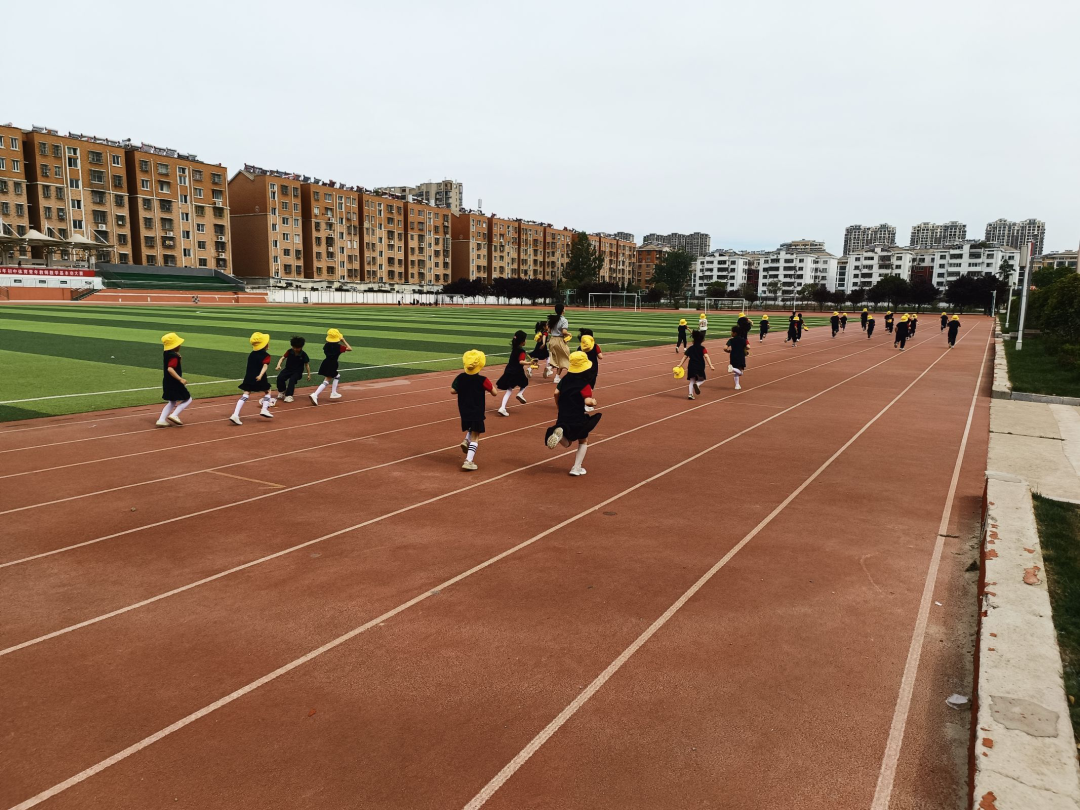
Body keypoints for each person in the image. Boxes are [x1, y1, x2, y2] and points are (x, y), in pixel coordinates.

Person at [544, 350, 600, 476]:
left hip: (563, 413)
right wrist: (593, 402)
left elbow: (556, 393)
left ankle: (559, 436)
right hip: (577, 414)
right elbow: (587, 401)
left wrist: (558, 406)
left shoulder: (564, 379)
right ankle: (576, 467)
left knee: (567, 442)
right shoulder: (585, 384)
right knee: (583, 440)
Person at [452, 350, 495, 471]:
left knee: (471, 426)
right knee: (476, 435)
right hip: (477, 410)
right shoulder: (483, 380)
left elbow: (452, 390)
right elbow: (494, 392)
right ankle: (468, 460)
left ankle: (466, 440)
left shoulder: (460, 377)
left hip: (464, 411)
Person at [230, 332, 274, 425]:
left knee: (246, 394)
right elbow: (265, 366)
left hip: (249, 377)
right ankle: (264, 409)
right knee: (268, 391)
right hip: (259, 377)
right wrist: (261, 375)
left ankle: (235, 414)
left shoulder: (252, 354)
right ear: (265, 345)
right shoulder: (266, 355)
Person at [157, 332, 192, 427]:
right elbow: (170, 369)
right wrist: (180, 379)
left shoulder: (167, 353)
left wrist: (179, 359)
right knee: (188, 399)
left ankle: (161, 419)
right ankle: (174, 415)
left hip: (167, 382)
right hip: (175, 382)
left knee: (172, 401)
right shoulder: (174, 356)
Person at [309, 328, 352, 405]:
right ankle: (315, 394)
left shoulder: (326, 345)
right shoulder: (339, 347)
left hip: (325, 362)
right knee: (326, 381)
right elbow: (350, 348)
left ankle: (334, 392)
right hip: (332, 364)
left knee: (337, 376)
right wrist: (343, 340)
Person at [495, 330, 530, 416]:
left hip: (509, 370)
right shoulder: (521, 351)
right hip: (517, 371)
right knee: (525, 383)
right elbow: (521, 362)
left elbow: (518, 359)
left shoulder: (514, 348)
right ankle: (520, 393)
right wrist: (530, 363)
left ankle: (502, 407)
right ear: (522, 341)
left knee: (509, 389)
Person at [679, 329, 715, 399]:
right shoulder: (702, 348)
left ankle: (690, 394)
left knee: (692, 380)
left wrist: (680, 365)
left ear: (693, 340)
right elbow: (706, 356)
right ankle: (697, 385)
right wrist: (711, 365)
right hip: (700, 365)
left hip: (691, 365)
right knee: (702, 379)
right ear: (701, 341)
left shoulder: (690, 348)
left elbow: (685, 356)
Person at [275, 336, 310, 403]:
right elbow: (282, 358)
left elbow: (307, 365)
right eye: (293, 347)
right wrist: (278, 365)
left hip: (297, 372)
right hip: (288, 369)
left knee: (292, 380)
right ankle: (282, 391)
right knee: (280, 377)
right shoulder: (289, 351)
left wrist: (309, 375)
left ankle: (289, 395)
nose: (295, 349)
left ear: (301, 347)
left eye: (297, 348)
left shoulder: (303, 354)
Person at [545, 303, 571, 383]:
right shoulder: (564, 320)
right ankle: (551, 370)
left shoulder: (552, 319)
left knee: (557, 358)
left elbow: (549, 331)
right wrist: (569, 334)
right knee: (565, 358)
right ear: (563, 310)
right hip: (559, 340)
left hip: (552, 340)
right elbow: (564, 331)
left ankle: (555, 375)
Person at [579, 330, 602, 411]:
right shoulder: (595, 346)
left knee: (582, 385)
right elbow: (600, 357)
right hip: (593, 369)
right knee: (590, 386)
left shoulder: (580, 347)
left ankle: (581, 401)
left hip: (582, 368)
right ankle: (587, 404)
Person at [725, 325, 748, 390]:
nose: (731, 333)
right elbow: (748, 347)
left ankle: (737, 385)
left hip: (733, 356)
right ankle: (733, 369)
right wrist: (744, 349)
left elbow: (725, 348)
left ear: (735, 333)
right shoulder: (743, 340)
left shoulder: (731, 340)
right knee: (740, 372)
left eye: (732, 332)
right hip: (741, 356)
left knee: (737, 372)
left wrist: (728, 351)